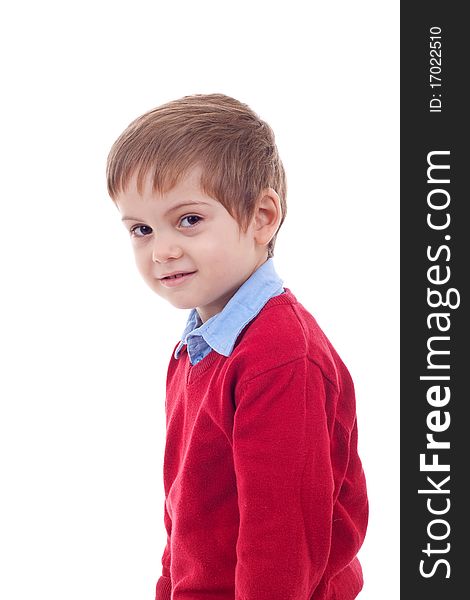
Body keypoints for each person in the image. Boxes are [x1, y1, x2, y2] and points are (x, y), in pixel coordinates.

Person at [106, 93, 368, 600]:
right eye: (142, 229)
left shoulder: (281, 358)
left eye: (188, 220)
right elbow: (185, 513)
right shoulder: (198, 347)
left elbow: (283, 545)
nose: (162, 250)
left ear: (263, 217)